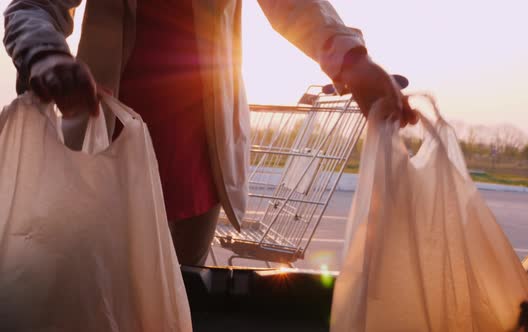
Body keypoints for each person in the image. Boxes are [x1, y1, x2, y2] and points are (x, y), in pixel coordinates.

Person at [3, 0, 418, 266]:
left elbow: (295, 6)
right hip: (102, 159)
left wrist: (350, 58)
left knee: (182, 304)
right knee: (93, 303)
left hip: (199, 168)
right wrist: (44, 53)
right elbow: (33, 6)